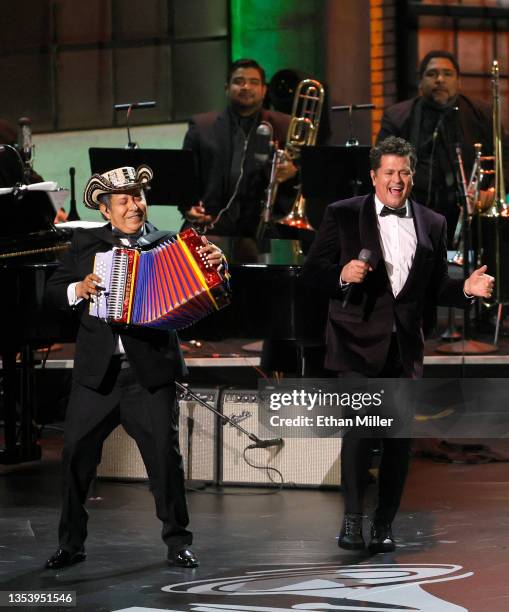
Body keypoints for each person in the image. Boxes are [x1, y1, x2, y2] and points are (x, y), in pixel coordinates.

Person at [301, 136, 494, 553]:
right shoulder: (343, 215)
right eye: (388, 172)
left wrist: (467, 289)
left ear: (412, 175)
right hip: (355, 340)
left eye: (404, 172)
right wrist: (341, 275)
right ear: (374, 176)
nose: (397, 180)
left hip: (404, 348)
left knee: (397, 441)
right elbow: (311, 272)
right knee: (357, 433)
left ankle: (384, 524)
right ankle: (352, 522)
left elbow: (437, 286)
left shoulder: (432, 222)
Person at [44, 165, 223, 570]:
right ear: (106, 210)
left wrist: (218, 265)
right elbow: (53, 290)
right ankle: (71, 544)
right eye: (124, 200)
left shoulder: (169, 242)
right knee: (75, 456)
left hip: (150, 374)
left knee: (164, 459)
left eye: (139, 197)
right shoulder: (84, 243)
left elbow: (212, 292)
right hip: (98, 376)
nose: (135, 205)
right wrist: (80, 288)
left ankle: (178, 541)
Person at [377, 50, 494, 247]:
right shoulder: (397, 116)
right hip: (411, 213)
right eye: (432, 74)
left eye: (447, 74)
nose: (440, 79)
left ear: (458, 82)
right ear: (420, 82)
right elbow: (380, 164)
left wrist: (490, 191)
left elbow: (503, 158)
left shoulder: (480, 114)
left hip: (471, 216)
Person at [179, 58, 298, 237]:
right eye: (238, 82)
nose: (246, 87)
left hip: (267, 224)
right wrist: (188, 207)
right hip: (211, 222)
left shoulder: (285, 125)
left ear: (264, 90)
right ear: (227, 88)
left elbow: (306, 172)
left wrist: (293, 171)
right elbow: (184, 178)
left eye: (254, 82)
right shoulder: (201, 126)